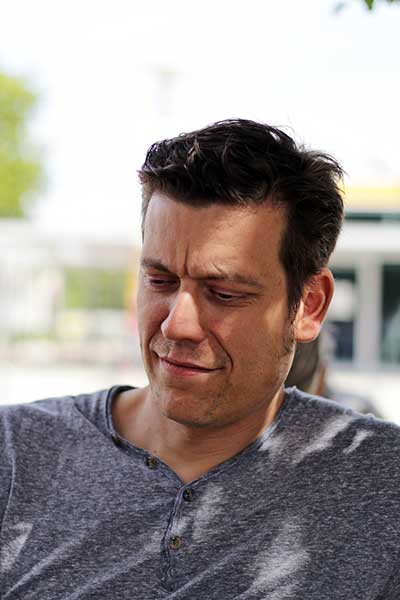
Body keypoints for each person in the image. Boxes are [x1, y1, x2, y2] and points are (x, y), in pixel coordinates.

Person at [1, 119, 399, 599]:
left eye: (224, 293)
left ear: (309, 305)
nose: (177, 325)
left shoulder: (383, 483)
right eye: (160, 281)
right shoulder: (15, 454)